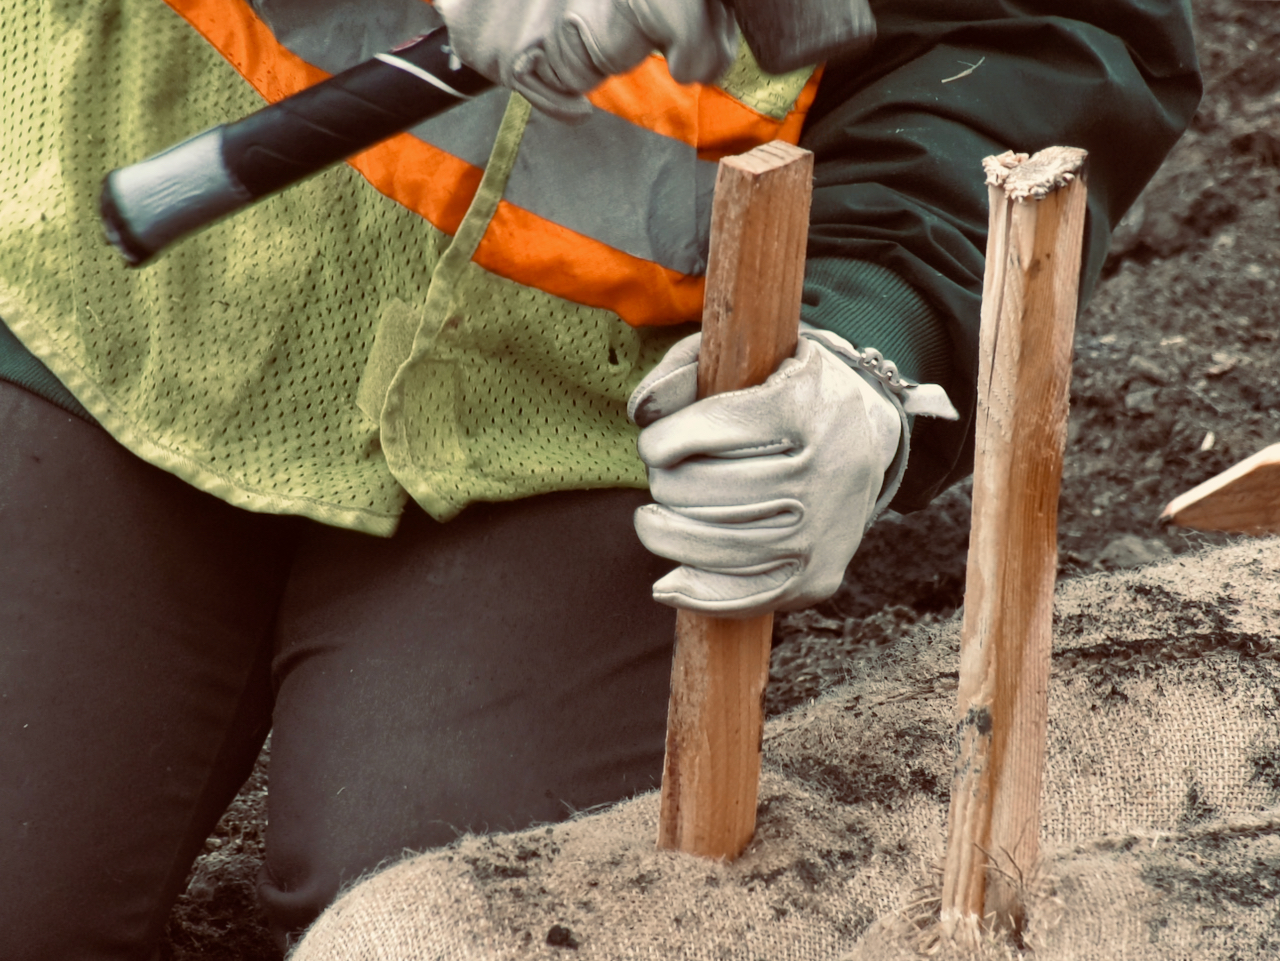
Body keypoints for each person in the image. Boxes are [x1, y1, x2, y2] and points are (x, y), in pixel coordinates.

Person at [0, 0, 1199, 957]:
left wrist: (868, 343)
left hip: (584, 416)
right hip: (97, 309)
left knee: (454, 923)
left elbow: (1042, 35)